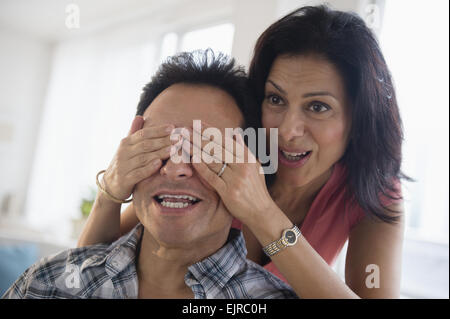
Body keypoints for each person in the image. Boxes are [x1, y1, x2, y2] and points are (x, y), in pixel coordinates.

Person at [78, 5, 410, 298]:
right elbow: (83, 276)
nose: (287, 130)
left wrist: (261, 213)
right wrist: (111, 188)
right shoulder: (227, 153)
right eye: (276, 99)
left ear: (359, 118)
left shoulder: (373, 193)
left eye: (318, 107)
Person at [2, 50, 298, 299]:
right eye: (158, 145)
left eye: (208, 150)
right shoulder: (44, 283)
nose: (175, 168)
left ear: (250, 169)